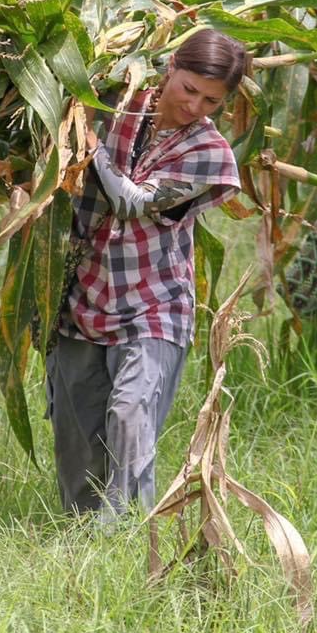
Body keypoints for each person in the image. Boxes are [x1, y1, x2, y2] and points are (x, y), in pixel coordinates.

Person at [47, 29, 246, 518]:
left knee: (131, 416)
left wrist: (89, 146)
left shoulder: (210, 153)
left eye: (212, 100)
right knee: (77, 440)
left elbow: (131, 202)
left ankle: (131, 538)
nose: (195, 105)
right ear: (170, 66)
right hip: (82, 295)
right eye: (188, 89)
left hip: (154, 300)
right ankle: (82, 542)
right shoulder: (112, 100)